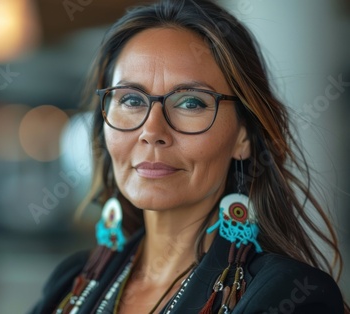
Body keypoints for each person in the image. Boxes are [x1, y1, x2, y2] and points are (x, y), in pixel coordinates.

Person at [30, 0, 349, 313]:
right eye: (130, 100)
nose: (152, 130)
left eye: (190, 103)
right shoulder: (72, 280)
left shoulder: (291, 294)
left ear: (243, 137)